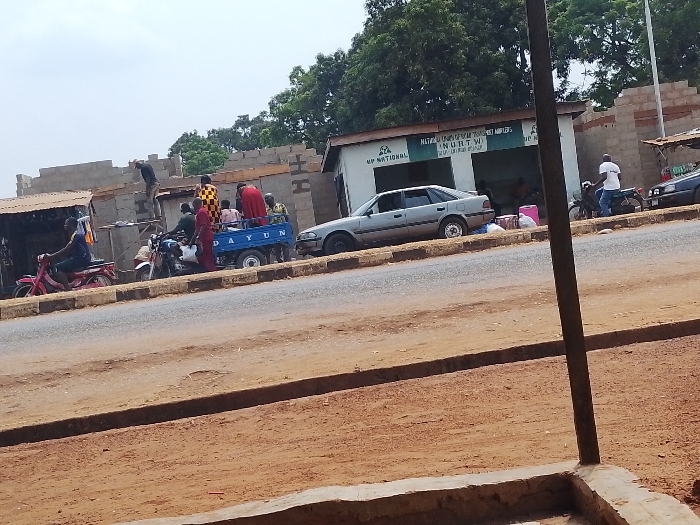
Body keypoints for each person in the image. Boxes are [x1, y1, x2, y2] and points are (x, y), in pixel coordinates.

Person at [46, 217, 92, 291]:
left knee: (58, 267)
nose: (64, 226)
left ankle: (68, 289)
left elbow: (67, 248)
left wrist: (52, 256)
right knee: (64, 263)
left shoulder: (76, 235)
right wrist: (56, 256)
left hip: (82, 259)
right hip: (81, 257)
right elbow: (68, 250)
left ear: (71, 225)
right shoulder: (75, 234)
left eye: (66, 224)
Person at [190, 197, 217, 272]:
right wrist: (192, 240)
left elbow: (203, 226)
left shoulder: (201, 212)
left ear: (196, 204)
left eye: (193, 204)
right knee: (204, 256)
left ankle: (212, 271)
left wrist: (198, 237)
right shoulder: (200, 212)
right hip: (205, 237)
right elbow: (198, 228)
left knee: (207, 256)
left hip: (206, 237)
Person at [264, 192, 291, 263]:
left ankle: (287, 262)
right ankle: (280, 262)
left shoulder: (281, 206)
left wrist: (288, 227)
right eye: (265, 200)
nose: (266, 201)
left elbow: (286, 216)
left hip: (282, 229)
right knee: (276, 248)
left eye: (268, 199)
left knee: (285, 246)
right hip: (273, 230)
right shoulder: (266, 210)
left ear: (272, 198)